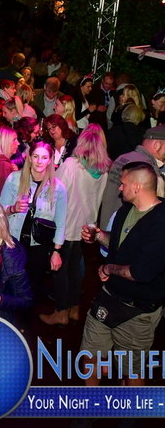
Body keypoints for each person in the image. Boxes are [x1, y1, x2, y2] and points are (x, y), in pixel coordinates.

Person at [79, 162, 165, 386]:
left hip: (137, 311)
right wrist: (99, 236)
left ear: (137, 187)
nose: (119, 188)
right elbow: (119, 244)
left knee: (131, 371)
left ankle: (130, 407)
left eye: (123, 184)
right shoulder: (126, 210)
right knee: (90, 356)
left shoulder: (160, 222)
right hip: (109, 297)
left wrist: (108, 268)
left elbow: (140, 272)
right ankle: (91, 404)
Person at [40, 125, 111, 326]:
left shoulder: (72, 165)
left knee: (60, 269)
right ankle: (74, 309)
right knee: (75, 269)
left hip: (66, 224)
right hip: (85, 227)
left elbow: (54, 191)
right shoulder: (103, 171)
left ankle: (61, 312)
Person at [0, 140, 67, 299]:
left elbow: (61, 223)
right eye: (36, 156)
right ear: (29, 157)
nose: (39, 161)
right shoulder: (14, 178)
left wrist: (56, 251)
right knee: (8, 287)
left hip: (39, 247)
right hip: (13, 242)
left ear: (50, 160)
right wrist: (13, 208)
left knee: (30, 290)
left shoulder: (58, 188)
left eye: (44, 157)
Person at [99, 125, 165, 230]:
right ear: (157, 145)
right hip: (126, 229)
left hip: (110, 225)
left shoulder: (123, 157)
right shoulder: (146, 169)